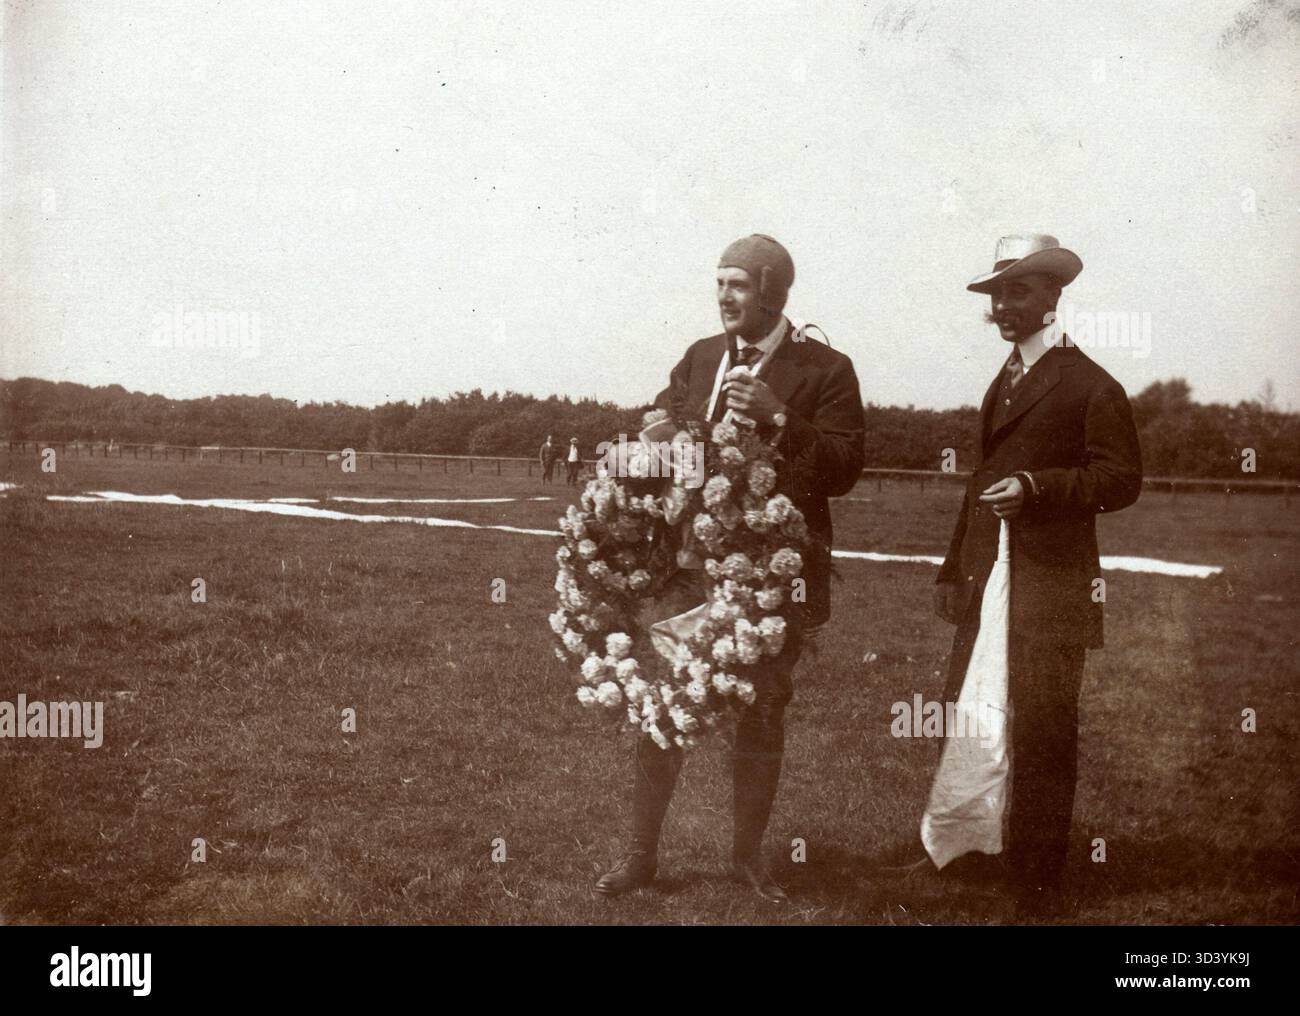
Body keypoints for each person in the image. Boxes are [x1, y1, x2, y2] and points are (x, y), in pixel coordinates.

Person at [593, 234, 865, 902]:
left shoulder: (825, 369)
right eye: (718, 284)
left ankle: (747, 858)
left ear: (772, 292)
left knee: (760, 711)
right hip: (687, 569)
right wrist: (657, 442)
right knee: (663, 701)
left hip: (771, 579)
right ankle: (642, 855)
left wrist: (780, 418)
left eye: (737, 285)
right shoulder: (701, 357)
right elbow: (675, 442)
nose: (723, 297)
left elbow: (844, 468)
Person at [931, 233, 1142, 915]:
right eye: (996, 293)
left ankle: (1039, 882)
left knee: (1046, 732)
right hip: (987, 583)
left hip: (1051, 588)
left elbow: (1121, 479)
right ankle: (972, 855)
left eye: (1018, 290)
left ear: (1054, 293)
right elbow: (979, 483)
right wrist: (949, 568)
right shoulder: (1007, 379)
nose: (1002, 305)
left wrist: (1038, 486)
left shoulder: (1091, 384)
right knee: (974, 718)